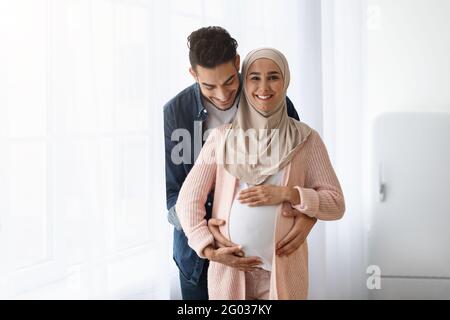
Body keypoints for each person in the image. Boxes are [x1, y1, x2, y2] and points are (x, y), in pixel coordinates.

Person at [176, 48, 345, 300]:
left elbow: (336, 204)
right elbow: (187, 202)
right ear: (245, 82)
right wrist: (208, 249)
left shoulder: (306, 139)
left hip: (283, 274)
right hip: (230, 275)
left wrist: (289, 194)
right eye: (254, 77)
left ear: (285, 81)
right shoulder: (221, 138)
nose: (263, 86)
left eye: (273, 77)